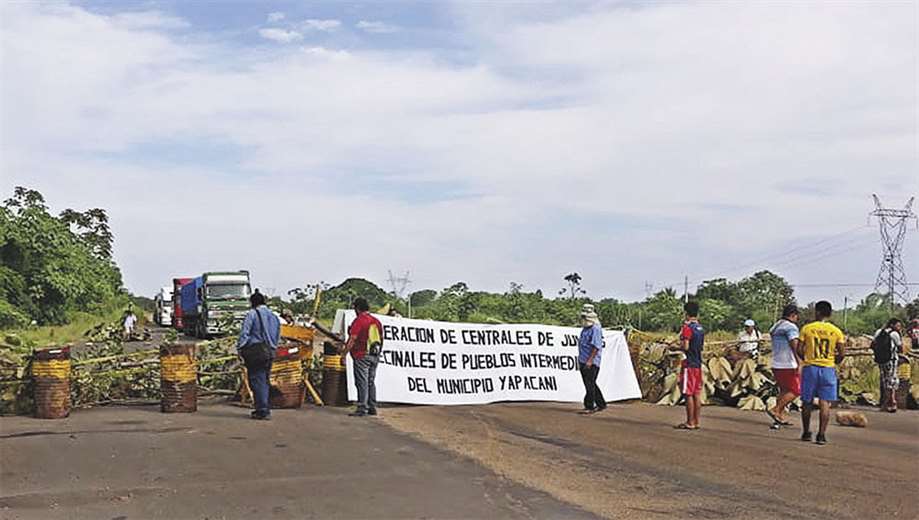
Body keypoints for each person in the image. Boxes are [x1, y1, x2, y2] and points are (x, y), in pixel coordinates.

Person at [797, 301, 846, 445]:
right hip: (828, 369)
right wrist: (834, 360)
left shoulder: (807, 328)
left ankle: (806, 432)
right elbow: (842, 352)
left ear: (817, 312)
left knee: (807, 401)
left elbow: (799, 348)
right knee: (825, 402)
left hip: (811, 367)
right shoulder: (836, 331)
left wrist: (805, 358)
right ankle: (821, 435)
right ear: (829, 314)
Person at [237, 290, 281, 420]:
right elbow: (277, 335)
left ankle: (262, 410)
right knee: (265, 380)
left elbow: (245, 333)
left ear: (252, 302)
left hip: (256, 352)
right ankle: (265, 407)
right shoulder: (274, 316)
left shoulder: (252, 314)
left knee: (257, 380)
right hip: (270, 351)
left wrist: (240, 348)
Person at [340, 297, 383, 417]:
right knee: (370, 381)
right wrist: (378, 354)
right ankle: (372, 407)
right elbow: (381, 339)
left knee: (362, 382)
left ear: (357, 308)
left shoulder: (359, 321)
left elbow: (352, 338)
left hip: (361, 355)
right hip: (374, 355)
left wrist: (344, 354)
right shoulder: (376, 321)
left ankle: (362, 408)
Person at [767, 305, 802, 427]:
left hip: (776, 363)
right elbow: (794, 345)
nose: (797, 319)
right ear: (793, 315)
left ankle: (779, 417)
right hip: (788, 363)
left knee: (784, 390)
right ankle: (776, 409)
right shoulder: (791, 327)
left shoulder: (776, 326)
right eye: (797, 316)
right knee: (796, 390)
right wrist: (799, 362)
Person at [675, 301, 704, 430]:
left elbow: (685, 346)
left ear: (686, 314)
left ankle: (690, 422)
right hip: (697, 363)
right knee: (696, 393)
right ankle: (696, 421)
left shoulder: (687, 328)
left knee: (688, 394)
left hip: (689, 364)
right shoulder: (700, 328)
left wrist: (676, 346)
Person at [577, 304, 606, 415]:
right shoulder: (585, 328)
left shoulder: (595, 329)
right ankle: (601, 403)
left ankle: (590, 406)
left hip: (591, 361)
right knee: (591, 383)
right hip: (583, 359)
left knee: (589, 384)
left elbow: (596, 346)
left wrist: (590, 360)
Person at [873, 318, 903, 413]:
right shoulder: (894, 334)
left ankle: (886, 403)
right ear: (892, 325)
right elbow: (900, 347)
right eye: (898, 326)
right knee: (892, 380)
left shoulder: (879, 332)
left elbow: (873, 344)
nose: (899, 328)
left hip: (881, 360)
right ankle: (893, 402)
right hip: (891, 360)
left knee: (884, 380)